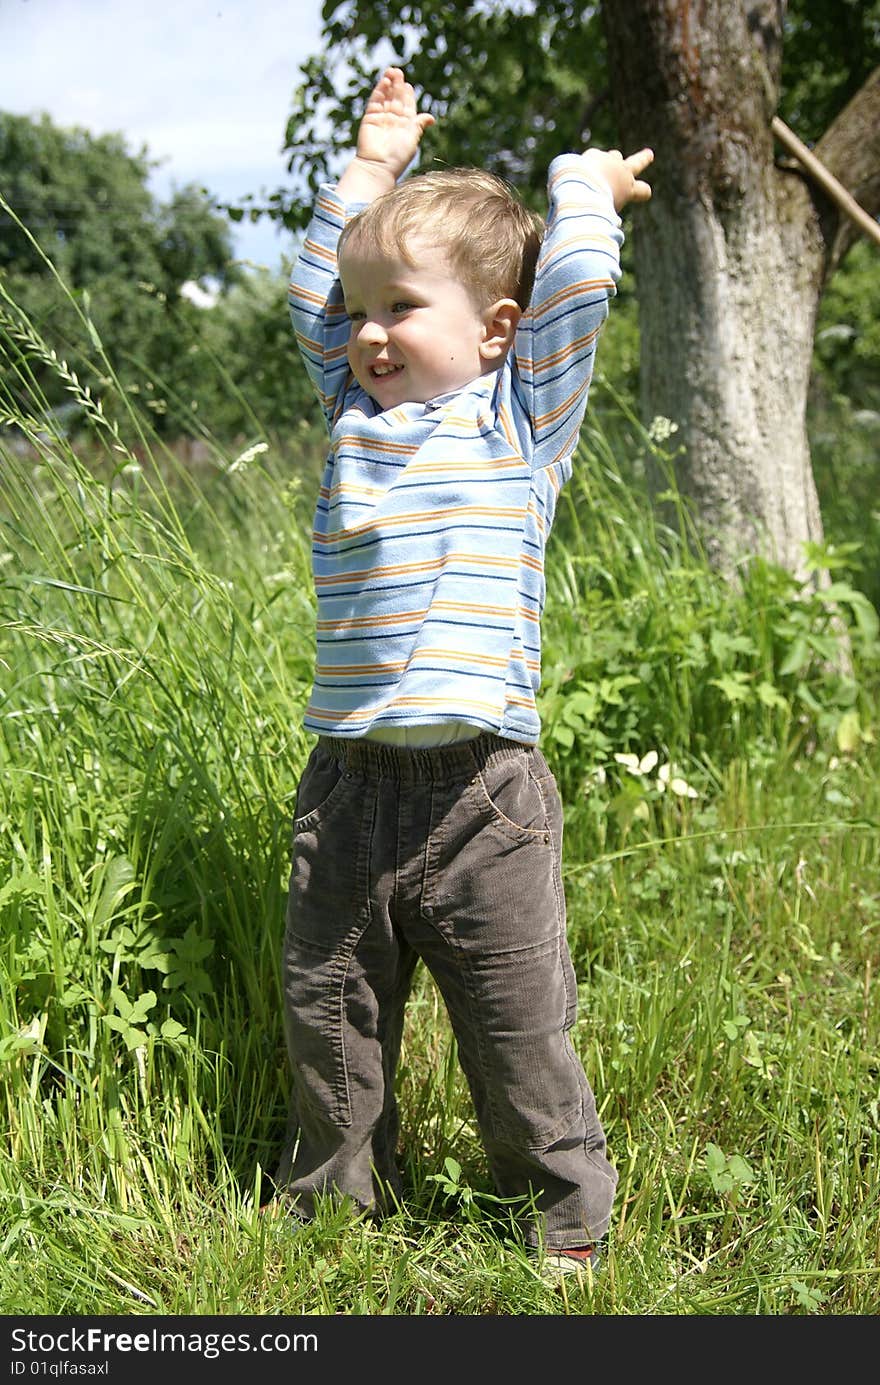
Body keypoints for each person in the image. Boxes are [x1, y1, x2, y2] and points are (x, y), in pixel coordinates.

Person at [274, 65, 652, 1277]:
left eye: (401, 307)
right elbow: (306, 286)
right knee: (329, 1016)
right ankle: (331, 1205)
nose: (369, 331)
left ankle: (566, 1212)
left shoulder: (516, 420)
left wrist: (578, 185)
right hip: (347, 789)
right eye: (361, 306)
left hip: (485, 795)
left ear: (493, 327)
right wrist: (372, 167)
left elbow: (579, 283)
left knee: (516, 1026)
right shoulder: (350, 410)